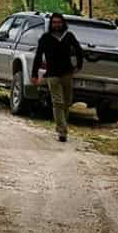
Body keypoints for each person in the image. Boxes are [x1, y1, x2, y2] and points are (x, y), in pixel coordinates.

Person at [31, 12, 84, 142]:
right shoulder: (45, 38)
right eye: (54, 22)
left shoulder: (69, 36)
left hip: (67, 73)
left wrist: (79, 65)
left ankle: (62, 124)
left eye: (59, 22)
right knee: (57, 102)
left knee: (67, 102)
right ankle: (62, 130)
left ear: (63, 23)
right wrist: (34, 74)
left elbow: (78, 50)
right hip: (52, 75)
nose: (56, 25)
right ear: (51, 24)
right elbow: (38, 56)